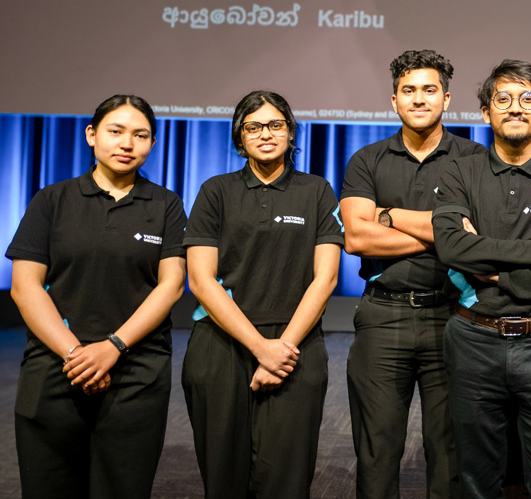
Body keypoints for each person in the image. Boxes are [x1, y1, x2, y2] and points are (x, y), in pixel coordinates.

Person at [6, 94, 187, 498]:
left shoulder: (167, 205)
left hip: (136, 369)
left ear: (153, 144)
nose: (127, 143)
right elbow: (25, 285)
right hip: (56, 366)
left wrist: (113, 346)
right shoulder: (52, 200)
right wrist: (76, 353)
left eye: (140, 135)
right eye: (116, 131)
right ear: (91, 135)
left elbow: (171, 284)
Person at [432, 59, 531, 499]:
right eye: (502, 99)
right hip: (473, 342)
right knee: (476, 479)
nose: (515, 108)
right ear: (486, 112)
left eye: (528, 99)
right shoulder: (458, 172)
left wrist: (494, 272)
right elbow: (451, 247)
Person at [181, 90, 344, 499]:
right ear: (240, 138)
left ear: (291, 132)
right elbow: (201, 280)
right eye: (253, 127)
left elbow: (324, 280)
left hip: (296, 347)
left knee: (286, 481)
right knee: (224, 478)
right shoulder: (215, 191)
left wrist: (281, 349)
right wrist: (259, 347)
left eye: (275, 124)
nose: (265, 134)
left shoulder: (317, 190)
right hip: (221, 345)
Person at [341, 50, 483, 499]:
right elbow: (356, 240)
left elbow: (479, 237)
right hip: (383, 317)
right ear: (394, 100)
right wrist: (443, 233)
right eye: (409, 91)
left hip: (455, 316)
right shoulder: (367, 160)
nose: (419, 99)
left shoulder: (473, 158)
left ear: (446, 98)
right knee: (377, 449)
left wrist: (389, 216)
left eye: (429, 90)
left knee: (450, 450)